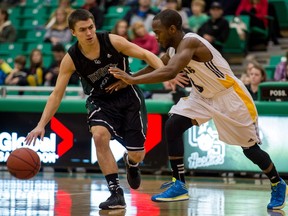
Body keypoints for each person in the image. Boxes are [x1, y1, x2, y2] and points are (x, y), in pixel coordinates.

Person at [109, 9, 287, 210]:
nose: (155, 36)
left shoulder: (191, 42)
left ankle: (277, 183)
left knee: (250, 150)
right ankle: (179, 184)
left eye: (158, 32)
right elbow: (157, 66)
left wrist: (133, 80)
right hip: (202, 96)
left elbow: (170, 71)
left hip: (229, 97)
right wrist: (129, 80)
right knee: (173, 125)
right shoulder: (173, 49)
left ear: (172, 29)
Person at [25, 9, 164, 210]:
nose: (89, 33)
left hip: (128, 97)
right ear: (73, 32)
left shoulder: (113, 41)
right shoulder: (71, 58)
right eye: (82, 30)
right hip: (100, 101)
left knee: (138, 154)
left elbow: (145, 54)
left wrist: (165, 72)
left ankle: (131, 163)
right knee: (99, 136)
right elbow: (56, 94)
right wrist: (41, 125)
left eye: (90, 27)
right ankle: (116, 193)